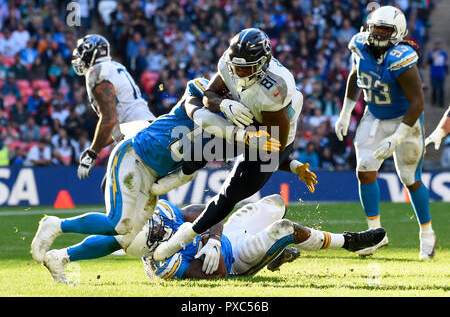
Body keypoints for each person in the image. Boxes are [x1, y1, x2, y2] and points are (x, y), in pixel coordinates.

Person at [31, 77, 282, 283]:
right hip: (136, 156)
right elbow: (204, 107)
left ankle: (61, 257)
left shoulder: (233, 125)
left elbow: (251, 153)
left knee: (126, 237)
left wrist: (287, 161)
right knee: (118, 224)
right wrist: (237, 126)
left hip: (153, 172)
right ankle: (56, 224)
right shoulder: (204, 91)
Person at [153, 28, 316, 262]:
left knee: (228, 195)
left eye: (246, 67)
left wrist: (288, 163)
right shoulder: (229, 63)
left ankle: (179, 241)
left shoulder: (275, 88)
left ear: (263, 63)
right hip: (242, 122)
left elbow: (273, 144)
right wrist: (223, 105)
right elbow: (209, 94)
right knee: (196, 151)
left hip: (269, 140)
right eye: (236, 66)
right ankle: (172, 179)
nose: (239, 72)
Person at [334, 6, 436, 259]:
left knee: (410, 179)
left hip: (405, 120)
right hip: (375, 115)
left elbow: (418, 102)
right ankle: (375, 235)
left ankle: (427, 234)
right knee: (365, 171)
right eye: (375, 27)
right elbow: (356, 74)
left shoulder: (401, 57)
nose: (377, 33)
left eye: (384, 29)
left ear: (397, 32)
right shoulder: (359, 45)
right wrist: (345, 112)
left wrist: (397, 137)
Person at [123, 195, 385, 280]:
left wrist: (211, 238)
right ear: (148, 245)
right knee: (284, 227)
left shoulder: (166, 216)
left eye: (154, 222)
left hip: (227, 237)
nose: (160, 224)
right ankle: (348, 241)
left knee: (275, 203)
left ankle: (276, 255)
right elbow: (219, 273)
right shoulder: (163, 265)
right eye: (155, 230)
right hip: (235, 259)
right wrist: (201, 241)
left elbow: (211, 211)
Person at [70, 34, 155, 181]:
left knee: (114, 186)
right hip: (146, 130)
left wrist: (92, 154)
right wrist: (94, 147)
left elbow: (109, 120)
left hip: (138, 138)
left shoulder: (97, 73)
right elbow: (115, 128)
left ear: (91, 52)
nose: (79, 59)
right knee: (115, 185)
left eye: (81, 54)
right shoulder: (115, 67)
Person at [427, 39, 448, 107]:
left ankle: (441, 102)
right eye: (436, 44)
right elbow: (428, 62)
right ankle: (434, 100)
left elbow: (446, 63)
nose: (437, 46)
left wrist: (447, 70)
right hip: (433, 74)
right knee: (434, 88)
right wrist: (432, 58)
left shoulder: (443, 53)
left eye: (439, 44)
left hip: (441, 74)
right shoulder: (431, 52)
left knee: (441, 89)